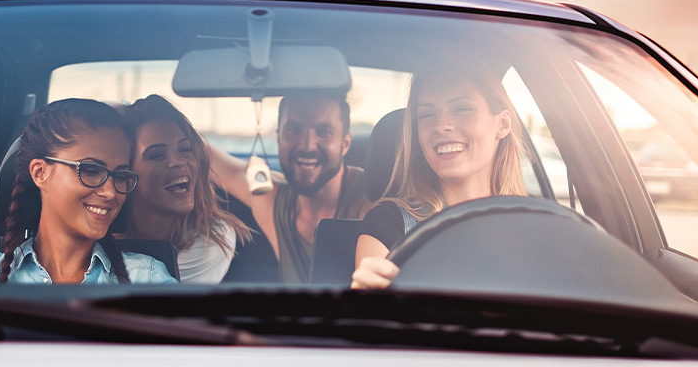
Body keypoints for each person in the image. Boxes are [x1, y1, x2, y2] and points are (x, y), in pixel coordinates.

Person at [0, 98, 177, 285]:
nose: (111, 193)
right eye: (91, 170)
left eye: (121, 176)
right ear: (40, 173)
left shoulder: (148, 279)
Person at [351, 66, 528, 289]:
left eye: (462, 109)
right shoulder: (389, 224)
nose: (441, 126)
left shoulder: (538, 223)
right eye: (427, 115)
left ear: (502, 124)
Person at [209, 95, 371, 283]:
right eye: (294, 130)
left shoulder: (373, 200)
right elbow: (204, 153)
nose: (307, 145)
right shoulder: (270, 199)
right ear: (279, 137)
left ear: (345, 144)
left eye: (323, 131)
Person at [120, 95, 251, 284]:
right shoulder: (96, 237)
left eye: (185, 149)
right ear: (124, 172)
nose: (178, 162)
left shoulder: (211, 242)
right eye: (157, 155)